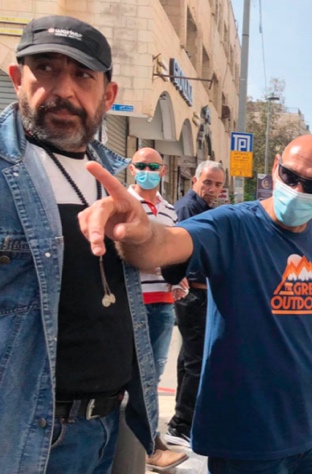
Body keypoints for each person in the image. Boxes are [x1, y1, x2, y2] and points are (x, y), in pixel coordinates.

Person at [78, 134, 312, 473]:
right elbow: (163, 244)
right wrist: (138, 232)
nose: (296, 189)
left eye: (311, 184)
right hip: (246, 437)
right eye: (289, 176)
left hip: (311, 434)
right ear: (275, 166)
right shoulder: (231, 225)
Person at [0, 15, 158, 473]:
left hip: (114, 424)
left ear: (108, 94)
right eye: (46, 68)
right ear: (17, 78)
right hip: (30, 436)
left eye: (82, 75)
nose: (63, 89)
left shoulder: (113, 176)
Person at [126, 147, 189, 471]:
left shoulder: (169, 211)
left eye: (153, 166)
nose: (147, 170)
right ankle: (149, 443)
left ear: (163, 171)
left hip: (162, 303)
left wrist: (178, 280)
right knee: (137, 374)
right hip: (131, 302)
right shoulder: (123, 204)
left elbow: (173, 254)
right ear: (132, 169)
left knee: (150, 374)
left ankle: (151, 438)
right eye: (141, 165)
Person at [165, 159, 225, 446]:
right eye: (208, 183)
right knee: (198, 362)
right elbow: (180, 254)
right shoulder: (189, 210)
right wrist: (182, 279)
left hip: (199, 294)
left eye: (218, 184)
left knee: (188, 360)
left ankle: (181, 421)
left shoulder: (203, 209)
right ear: (195, 181)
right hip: (194, 295)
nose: (212, 189)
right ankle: (182, 424)